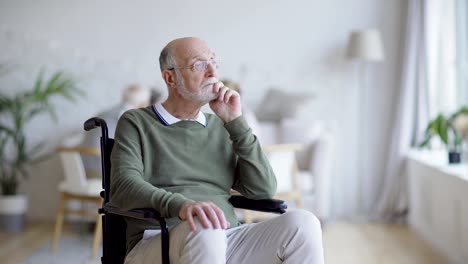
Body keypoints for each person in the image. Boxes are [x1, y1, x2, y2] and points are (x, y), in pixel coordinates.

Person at [110, 37, 324, 264]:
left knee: (303, 224)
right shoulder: (136, 122)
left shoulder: (221, 126)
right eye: (199, 65)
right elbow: (124, 185)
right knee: (206, 224)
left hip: (225, 237)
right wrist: (181, 206)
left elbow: (263, 189)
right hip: (158, 240)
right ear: (171, 77)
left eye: (214, 62)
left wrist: (236, 122)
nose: (212, 72)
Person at [80, 83, 150, 178]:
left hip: (84, 169)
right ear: (143, 104)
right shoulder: (128, 116)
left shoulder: (104, 113)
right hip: (103, 172)